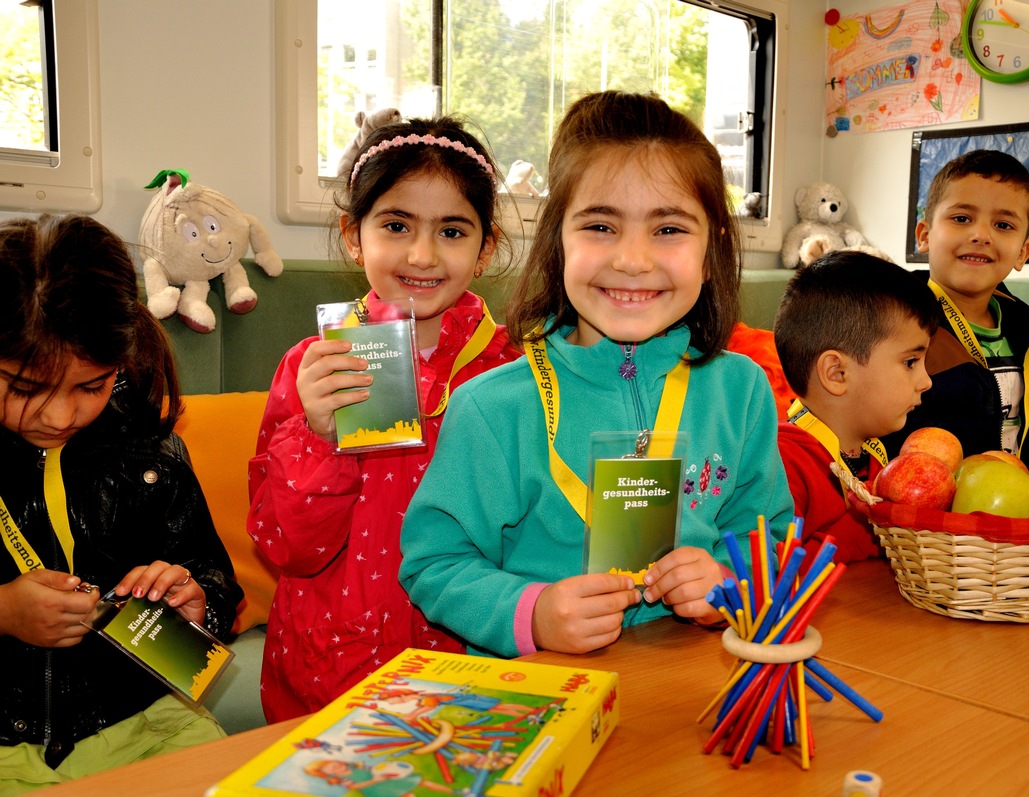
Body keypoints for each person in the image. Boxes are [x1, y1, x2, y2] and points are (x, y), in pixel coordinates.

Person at [399, 91, 793, 659]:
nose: (632, 259)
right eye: (601, 227)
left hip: (692, 692)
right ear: (558, 243)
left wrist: (733, 584)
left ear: (712, 253)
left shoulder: (742, 391)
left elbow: (773, 541)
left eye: (668, 230)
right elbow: (435, 563)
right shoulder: (491, 407)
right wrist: (531, 614)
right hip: (544, 699)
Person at [247, 117, 521, 722]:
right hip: (335, 670)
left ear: (487, 247)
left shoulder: (519, 372)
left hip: (472, 665)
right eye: (396, 225)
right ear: (354, 235)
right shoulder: (313, 365)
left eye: (452, 230)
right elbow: (286, 546)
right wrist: (318, 439)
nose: (421, 255)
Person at [0, 214, 243, 792]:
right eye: (26, 388)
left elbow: (214, 579)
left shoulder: (151, 451)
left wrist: (194, 603)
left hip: (149, 721)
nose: (58, 417)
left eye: (91, 386)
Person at [881, 149, 1029, 473]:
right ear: (924, 235)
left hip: (1019, 504)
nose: (981, 235)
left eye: (1003, 224)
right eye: (962, 218)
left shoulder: (1025, 328)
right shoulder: (892, 320)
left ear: (1023, 253)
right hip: (920, 513)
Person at [774, 251, 940, 563]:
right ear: (837, 374)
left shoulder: (874, 454)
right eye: (910, 362)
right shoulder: (783, 465)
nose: (926, 381)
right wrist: (869, 528)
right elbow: (768, 570)